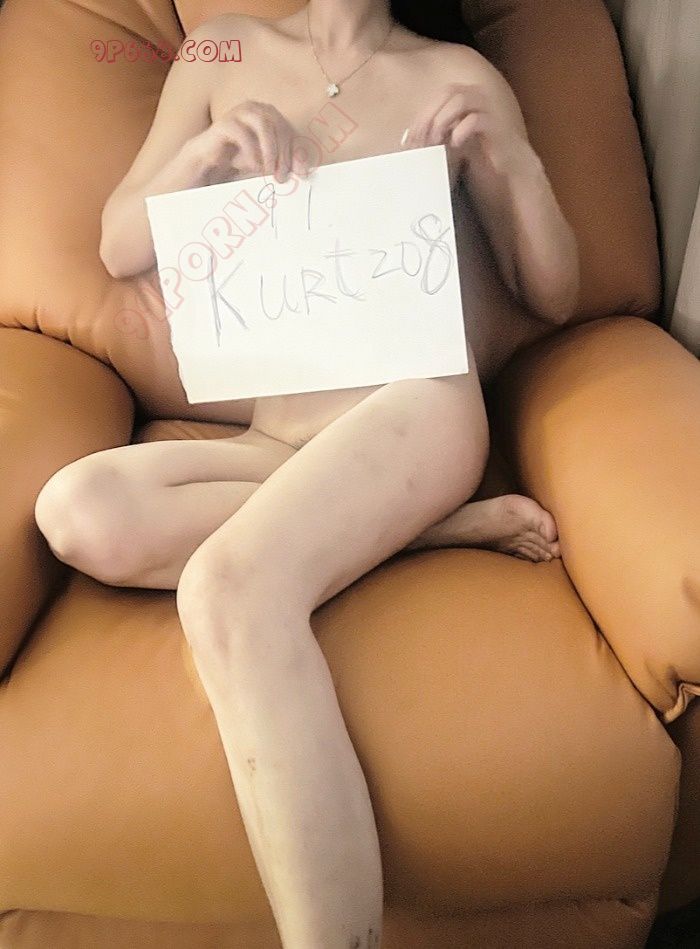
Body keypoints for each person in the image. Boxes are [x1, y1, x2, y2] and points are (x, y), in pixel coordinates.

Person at [34, 2, 579, 945]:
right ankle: (422, 530)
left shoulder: (454, 75)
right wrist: (202, 157)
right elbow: (120, 244)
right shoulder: (222, 50)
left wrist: (514, 164)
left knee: (228, 588)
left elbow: (554, 292)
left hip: (410, 410)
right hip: (277, 438)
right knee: (76, 509)